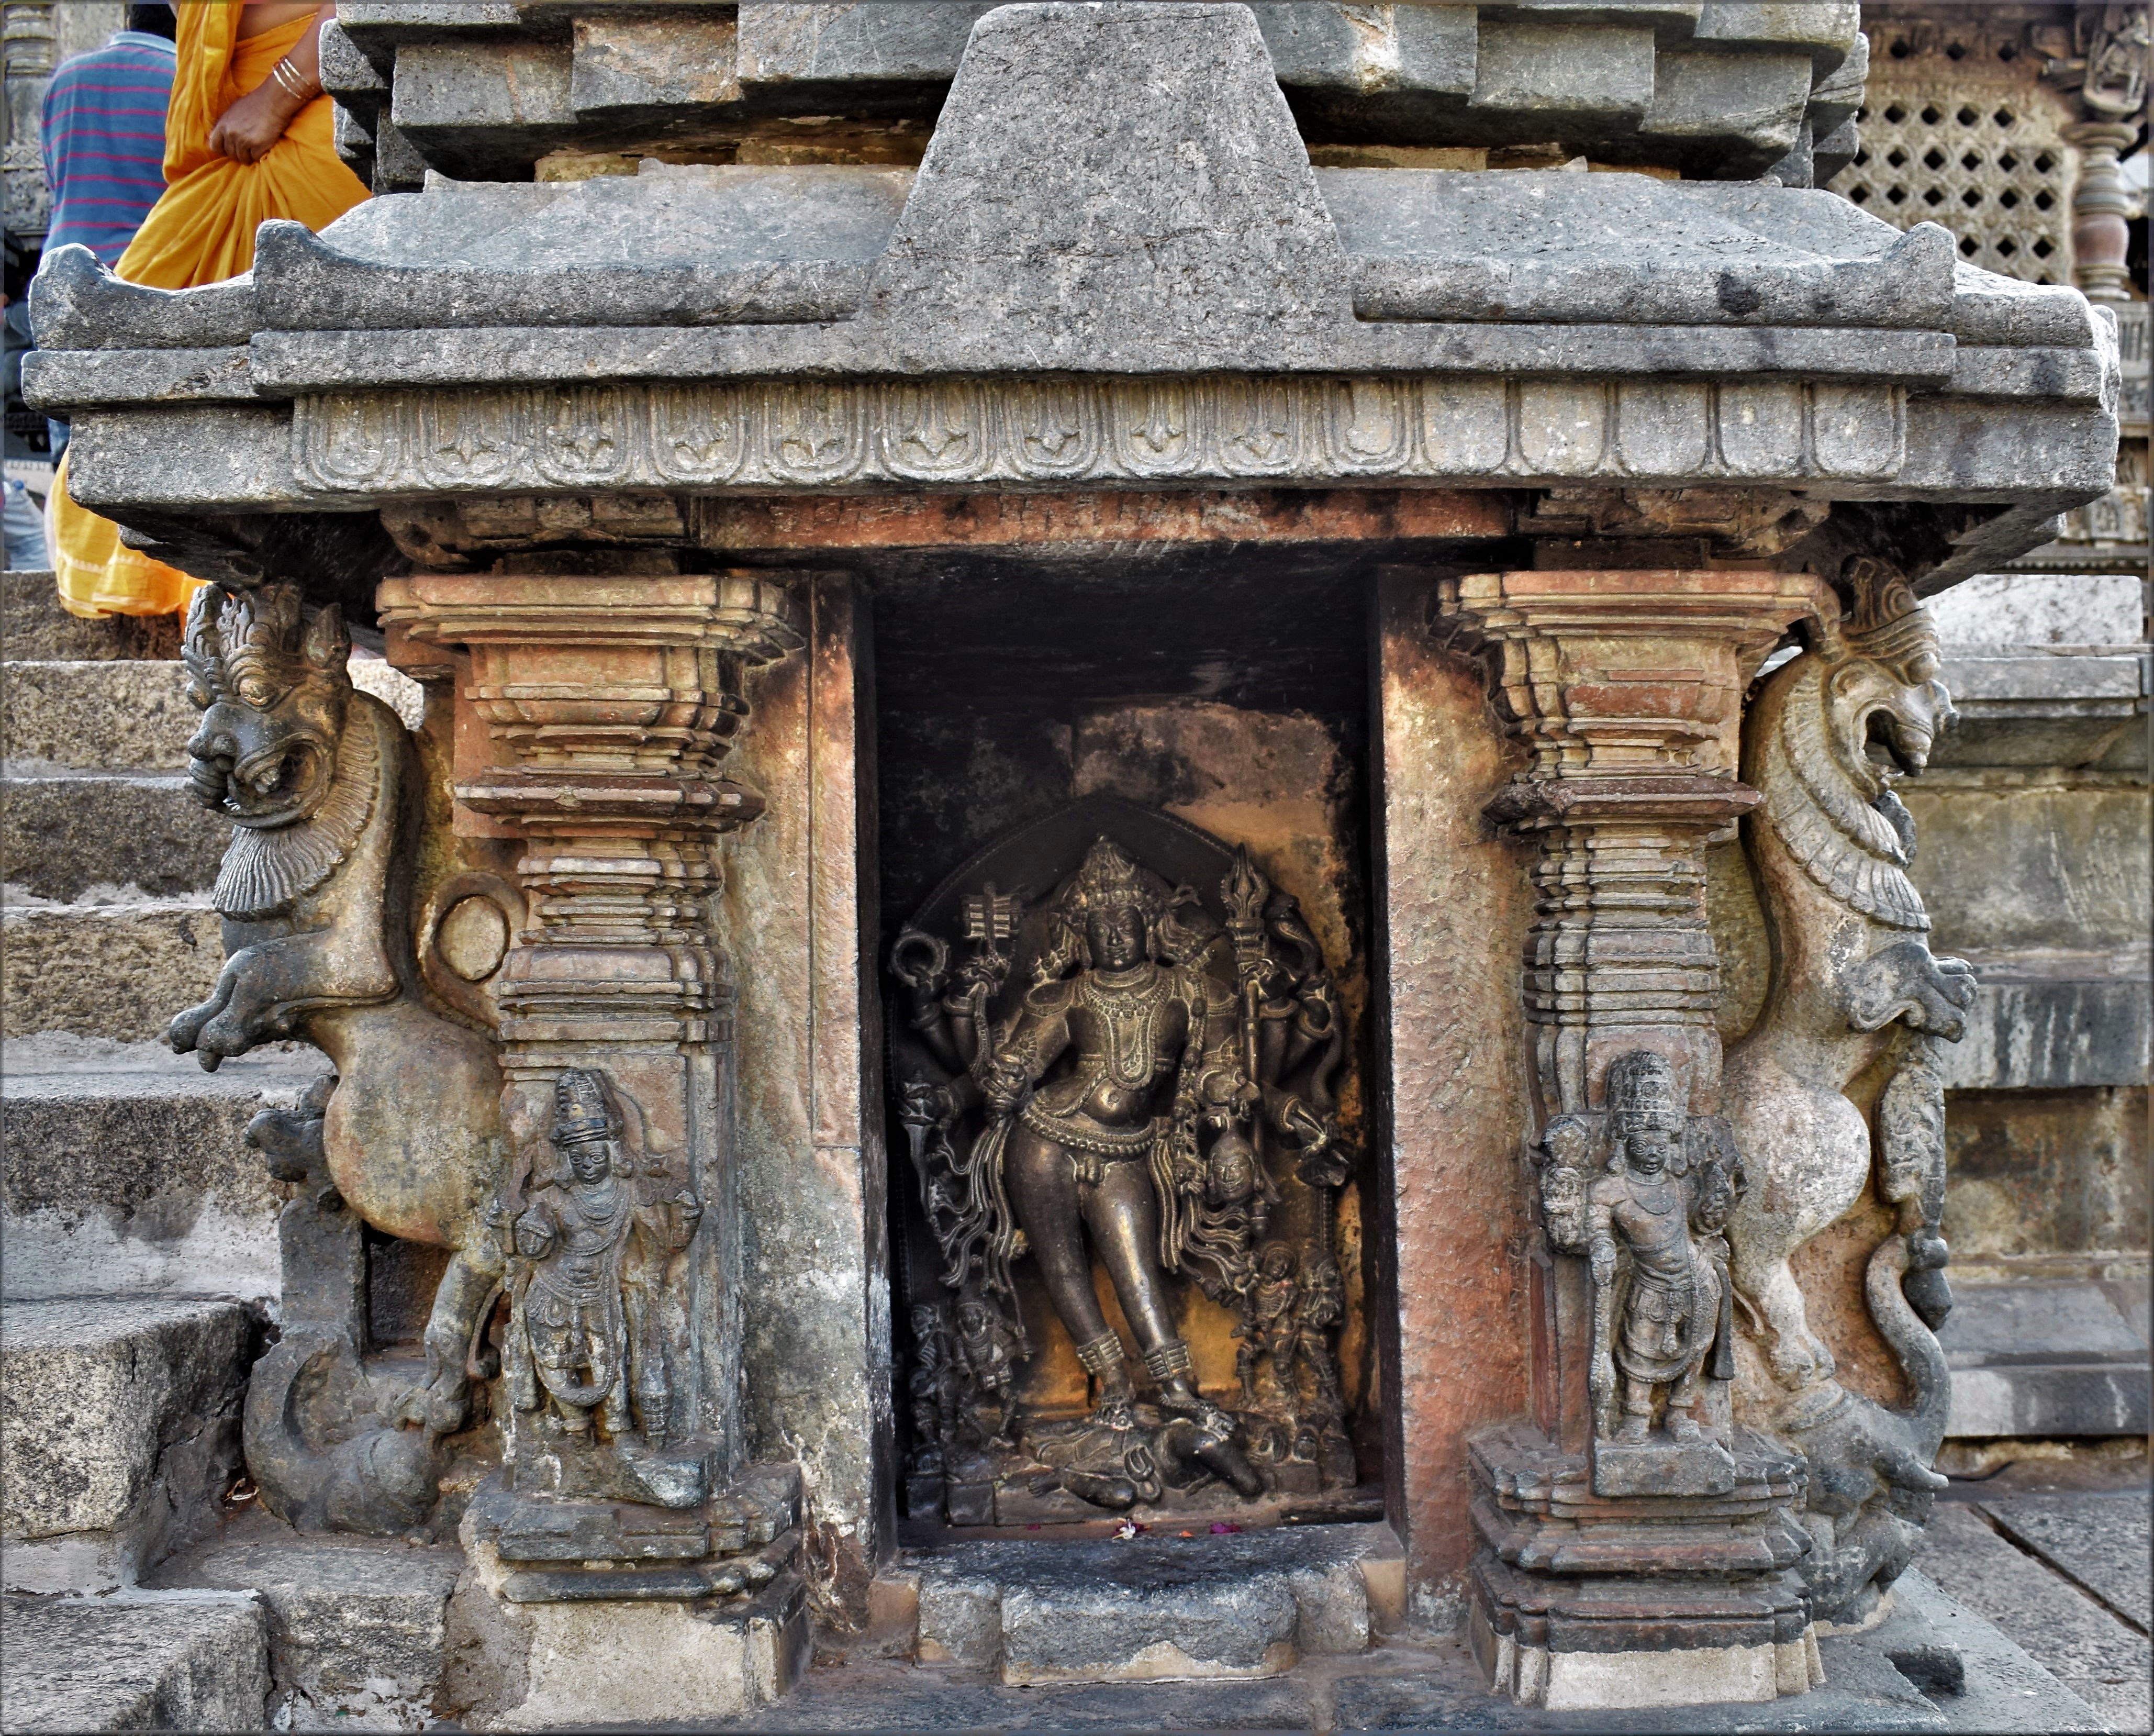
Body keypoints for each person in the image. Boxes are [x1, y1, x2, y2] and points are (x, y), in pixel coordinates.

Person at [50, 1, 368, 620]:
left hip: (298, 128)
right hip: (241, 139)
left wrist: (278, 93)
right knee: (139, 368)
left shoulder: (70, 81)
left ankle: (292, 599)